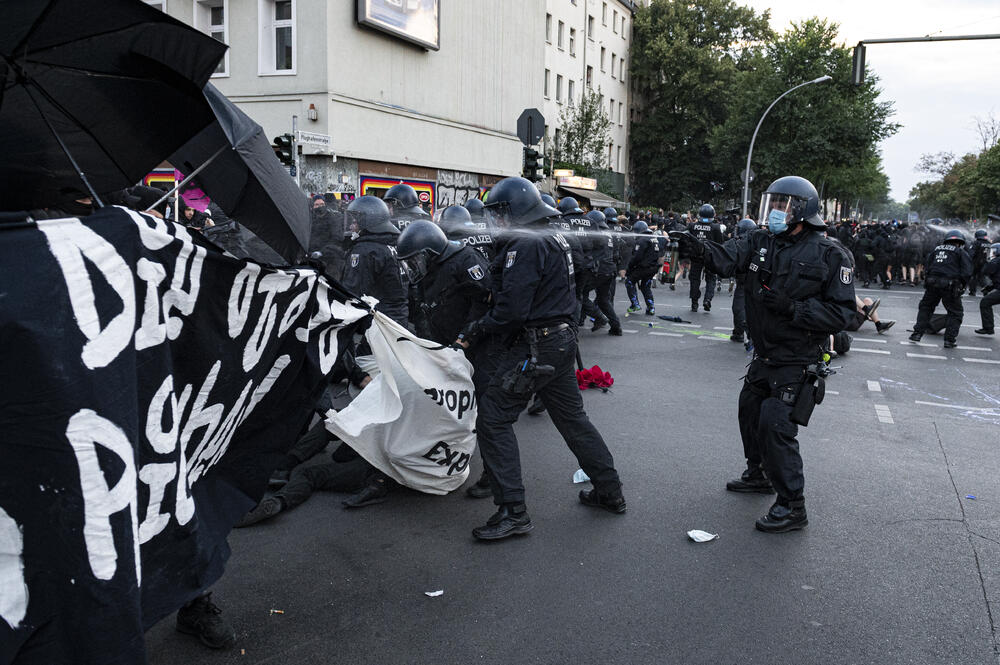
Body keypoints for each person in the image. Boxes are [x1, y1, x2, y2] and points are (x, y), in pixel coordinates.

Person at [671, 176, 856, 533]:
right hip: (765, 355)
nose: (774, 210)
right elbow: (726, 259)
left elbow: (843, 314)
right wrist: (698, 247)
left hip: (797, 358)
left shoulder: (831, 254)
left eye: (782, 204)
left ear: (802, 210)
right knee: (750, 412)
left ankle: (792, 505)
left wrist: (794, 308)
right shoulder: (760, 241)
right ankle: (758, 475)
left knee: (775, 424)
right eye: (772, 203)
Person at [457, 177, 626, 540]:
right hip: (561, 341)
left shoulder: (525, 243)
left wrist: (476, 329)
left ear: (517, 209)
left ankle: (512, 511)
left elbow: (512, 311)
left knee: (494, 417)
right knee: (572, 418)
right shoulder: (552, 234)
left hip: (538, 344)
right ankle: (609, 491)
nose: (497, 221)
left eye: (500, 213)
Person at [394, 219, 496, 498]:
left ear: (431, 253)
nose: (413, 266)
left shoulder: (466, 260)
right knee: (445, 410)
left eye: (415, 260)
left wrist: (466, 337)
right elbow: (422, 309)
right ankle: (440, 462)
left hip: (476, 350)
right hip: (445, 350)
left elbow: (485, 302)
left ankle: (493, 475)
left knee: (487, 415)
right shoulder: (427, 272)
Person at [340, 195, 409, 326]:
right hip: (399, 318)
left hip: (377, 322)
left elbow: (353, 291)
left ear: (368, 222)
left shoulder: (365, 250)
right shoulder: (394, 244)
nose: (351, 227)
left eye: (355, 222)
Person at [909, 229, 973, 349]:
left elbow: (927, 266)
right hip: (950, 286)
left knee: (926, 308)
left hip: (932, 284)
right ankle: (949, 340)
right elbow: (967, 272)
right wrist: (962, 286)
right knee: (955, 313)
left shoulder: (936, 250)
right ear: (960, 242)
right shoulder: (960, 252)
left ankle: (917, 334)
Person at [587, 209, 623, 335]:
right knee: (603, 300)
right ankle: (616, 327)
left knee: (579, 295)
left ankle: (599, 317)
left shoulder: (596, 233)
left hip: (599, 271)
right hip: (610, 270)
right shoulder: (608, 233)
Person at [687, 203, 724, 312]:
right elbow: (720, 244)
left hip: (696, 256)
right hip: (710, 257)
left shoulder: (692, 226)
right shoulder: (716, 228)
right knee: (711, 279)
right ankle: (707, 300)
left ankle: (694, 303)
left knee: (694, 280)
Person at [729, 218, 757, 344]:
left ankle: (743, 332)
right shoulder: (758, 243)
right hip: (756, 282)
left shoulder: (740, 244)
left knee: (739, 308)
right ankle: (740, 332)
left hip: (745, 281)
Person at [625, 220, 659, 315]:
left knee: (629, 282)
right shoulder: (653, 238)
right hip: (652, 268)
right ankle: (651, 307)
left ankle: (635, 304)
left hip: (643, 268)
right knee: (645, 286)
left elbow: (637, 257)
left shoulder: (642, 240)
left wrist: (629, 268)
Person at [975, 243, 1000, 335]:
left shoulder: (995, 261)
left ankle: (988, 328)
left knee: (985, 302)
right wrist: (989, 288)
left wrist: (986, 262)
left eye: (993, 251)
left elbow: (985, 271)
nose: (991, 253)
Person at [969, 229, 992, 296]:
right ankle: (985, 290)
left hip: (976, 262)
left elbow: (971, 253)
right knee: (982, 277)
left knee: (973, 277)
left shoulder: (976, 242)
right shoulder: (988, 243)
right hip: (985, 263)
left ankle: (972, 291)